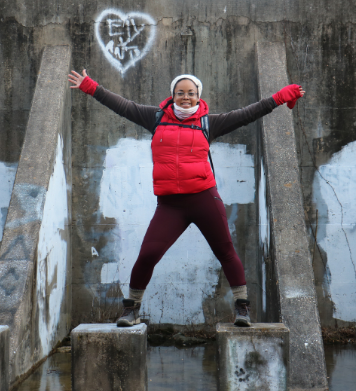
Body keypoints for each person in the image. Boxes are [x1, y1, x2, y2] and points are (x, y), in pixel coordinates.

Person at [68, 69, 304, 327]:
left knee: (225, 251)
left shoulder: (208, 122)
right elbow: (123, 106)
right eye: (180, 93)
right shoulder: (156, 118)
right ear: (172, 96)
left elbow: (249, 113)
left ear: (198, 96)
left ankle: (242, 309)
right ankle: (131, 310)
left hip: (204, 199)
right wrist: (90, 86)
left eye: (191, 93)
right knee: (148, 254)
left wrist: (279, 98)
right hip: (170, 206)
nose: (185, 98)